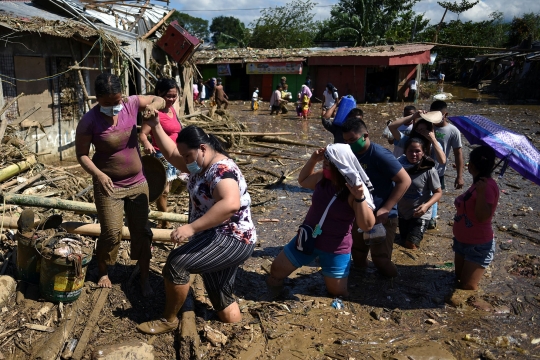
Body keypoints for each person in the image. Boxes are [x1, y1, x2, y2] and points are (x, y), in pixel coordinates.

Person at [136, 124, 256, 334]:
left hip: (231, 238)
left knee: (176, 264)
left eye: (188, 155)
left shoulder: (222, 170)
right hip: (218, 237)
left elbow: (230, 204)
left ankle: (168, 319)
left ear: (202, 148)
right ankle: (239, 334)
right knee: (221, 298)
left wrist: (191, 228)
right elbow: (172, 153)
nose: (185, 160)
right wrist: (155, 125)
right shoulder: (200, 164)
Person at [75, 73, 166, 296]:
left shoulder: (131, 103)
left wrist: (153, 107)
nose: (113, 107)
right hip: (108, 186)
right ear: (98, 99)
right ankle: (104, 271)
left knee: (142, 231)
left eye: (116, 101)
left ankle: (144, 276)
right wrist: (98, 174)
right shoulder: (89, 121)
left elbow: (161, 100)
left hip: (138, 182)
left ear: (122, 96)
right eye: (107, 103)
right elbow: (82, 155)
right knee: (111, 233)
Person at [266, 144, 375, 299]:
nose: (325, 162)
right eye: (325, 158)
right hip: (307, 238)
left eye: (329, 160)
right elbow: (303, 181)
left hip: (335, 247)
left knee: (337, 293)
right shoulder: (322, 177)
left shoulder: (354, 190)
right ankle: (272, 297)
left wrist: (360, 197)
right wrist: (312, 160)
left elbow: (367, 225)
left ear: (341, 164)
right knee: (275, 272)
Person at [341, 117, 411, 277]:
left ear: (365, 135)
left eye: (352, 140)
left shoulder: (379, 154)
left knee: (380, 259)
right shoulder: (350, 154)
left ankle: (394, 285)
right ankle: (363, 286)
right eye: (345, 141)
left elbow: (405, 180)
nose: (348, 144)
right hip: (360, 214)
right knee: (357, 254)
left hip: (382, 216)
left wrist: (386, 209)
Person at [453, 146, 499, 290]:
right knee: (458, 280)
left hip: (478, 245)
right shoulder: (478, 183)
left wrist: (480, 193)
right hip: (462, 242)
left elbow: (482, 217)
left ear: (471, 165)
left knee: (467, 287)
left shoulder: (487, 187)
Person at [139, 78, 182, 229]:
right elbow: (143, 134)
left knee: (168, 190)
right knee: (163, 191)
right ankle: (165, 221)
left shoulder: (172, 110)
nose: (171, 99)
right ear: (159, 94)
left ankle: (162, 218)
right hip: (160, 156)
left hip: (175, 156)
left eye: (174, 95)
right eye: (168, 96)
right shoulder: (153, 112)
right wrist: (147, 143)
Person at [397, 138, 442, 249]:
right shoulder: (398, 167)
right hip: (403, 211)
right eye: (410, 151)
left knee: (411, 245)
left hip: (420, 212)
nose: (414, 154)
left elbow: (438, 192)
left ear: (423, 152)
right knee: (402, 240)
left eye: (417, 151)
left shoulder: (429, 169)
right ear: (405, 152)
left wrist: (426, 206)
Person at [429, 100, 464, 229]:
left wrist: (459, 176)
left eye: (438, 116)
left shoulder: (453, 131)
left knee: (435, 193)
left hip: (438, 170)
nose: (435, 119)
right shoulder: (427, 125)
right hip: (422, 168)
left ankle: (432, 218)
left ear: (446, 114)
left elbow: (458, 154)